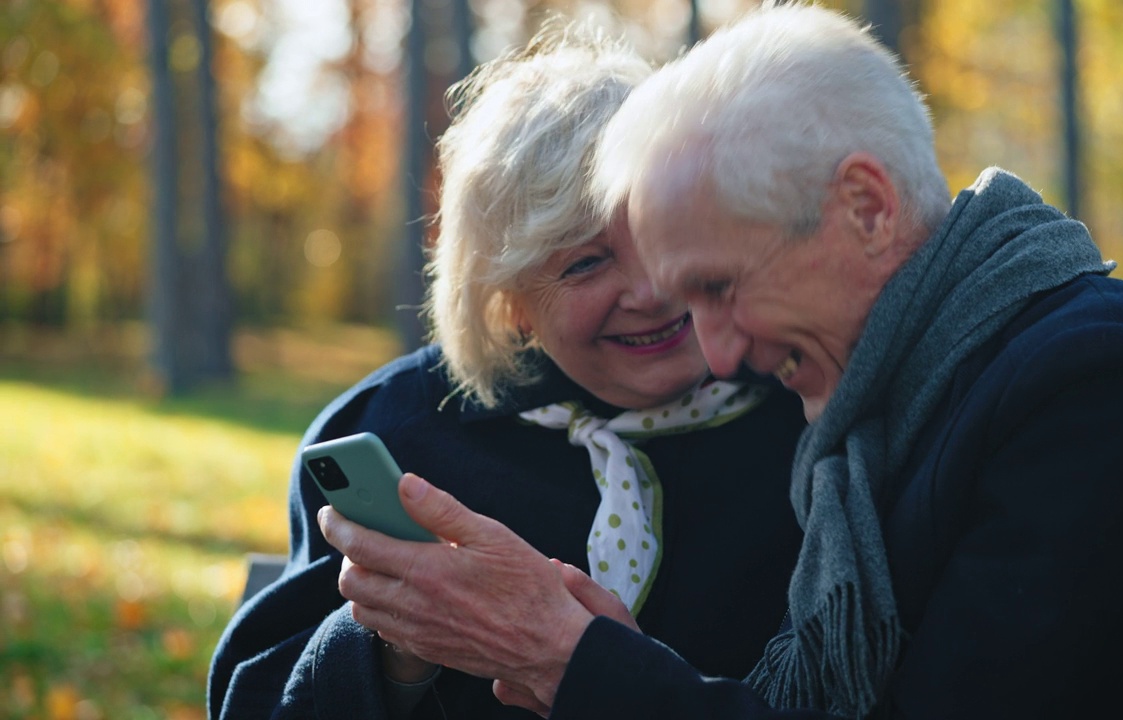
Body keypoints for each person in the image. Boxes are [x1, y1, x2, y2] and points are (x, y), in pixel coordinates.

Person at [323, 3, 1123, 719]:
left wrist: (569, 660)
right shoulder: (914, 387)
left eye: (718, 285)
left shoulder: (1100, 384)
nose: (718, 348)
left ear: (866, 207)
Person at [205, 21, 808, 720]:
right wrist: (399, 638)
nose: (649, 292)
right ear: (511, 303)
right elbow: (254, 703)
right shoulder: (400, 433)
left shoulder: (800, 410)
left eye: (657, 233)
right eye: (585, 262)